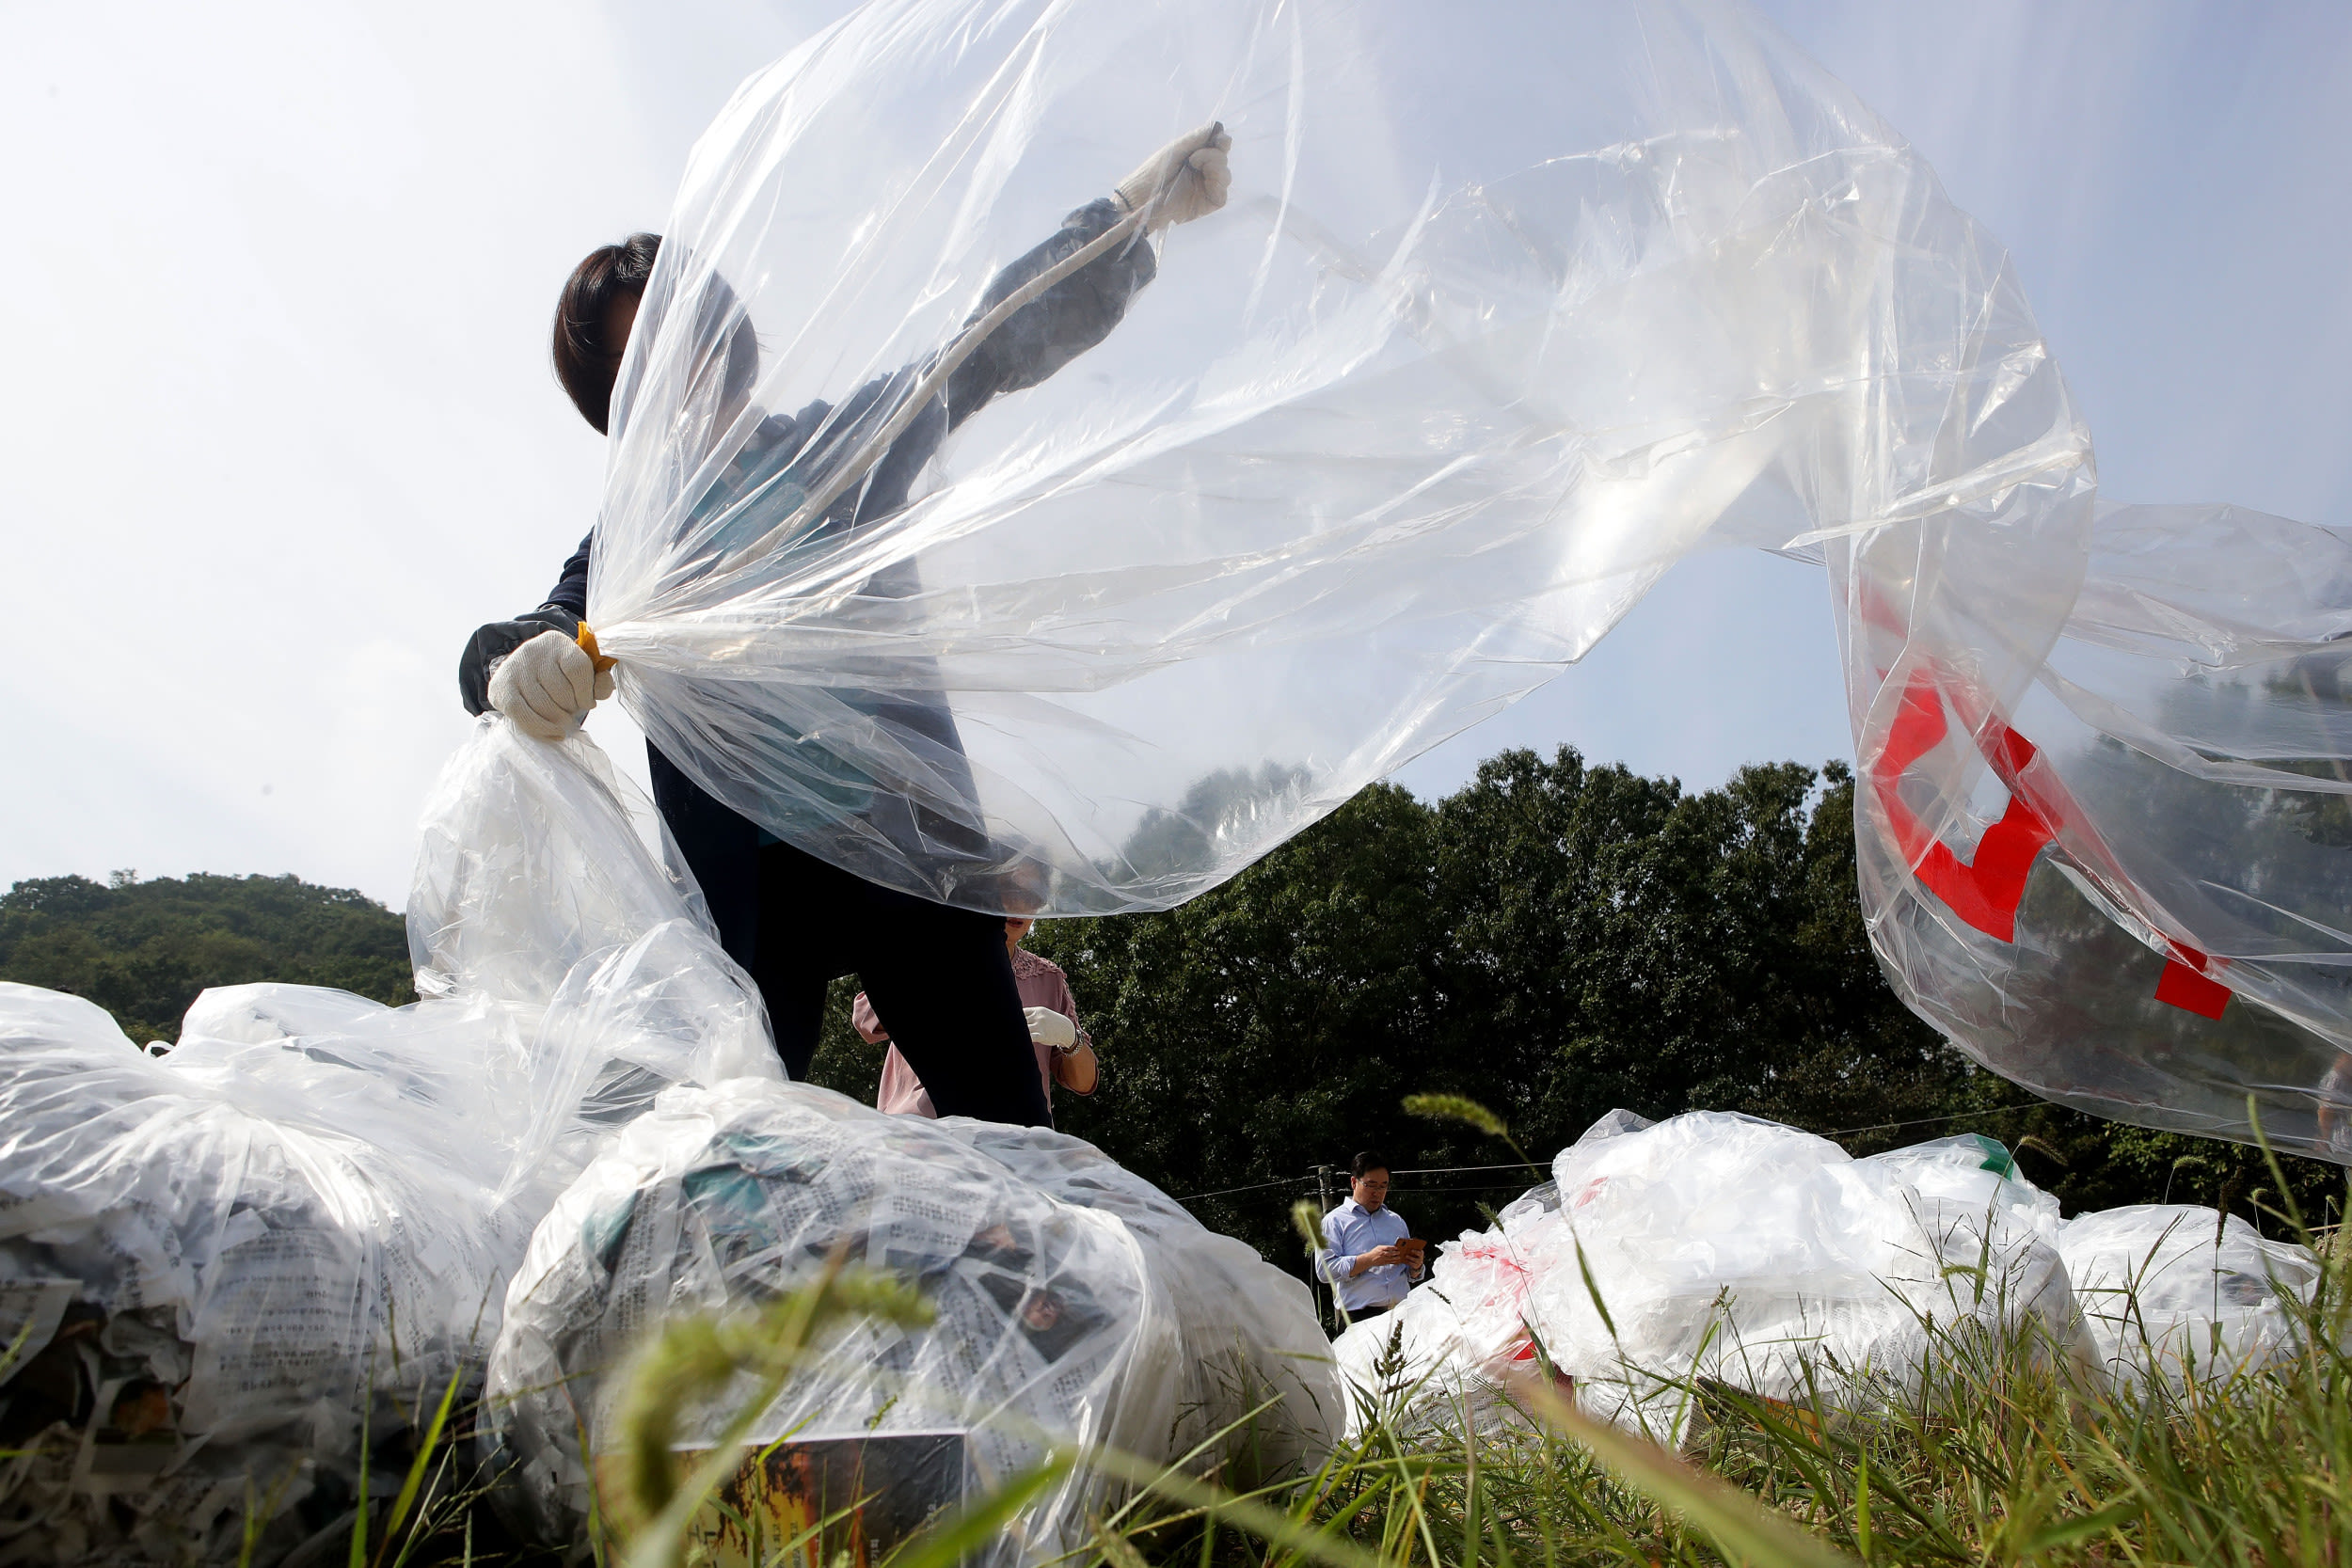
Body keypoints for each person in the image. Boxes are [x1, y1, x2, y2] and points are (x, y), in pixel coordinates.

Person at [454, 126, 1234, 1128]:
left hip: (900, 843)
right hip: (745, 885)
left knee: (1005, 1122)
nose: (675, 370)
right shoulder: (628, 545)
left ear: (725, 335)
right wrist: (514, 665)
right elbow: (530, 631)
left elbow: (979, 347)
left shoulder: (831, 454)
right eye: (637, 356)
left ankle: (1035, 1282)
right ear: (614, 391)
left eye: (685, 333)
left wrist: (1124, 224)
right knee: (728, 1136)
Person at [851, 916, 1097, 1122]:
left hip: (1012, 1139)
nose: (1017, 907)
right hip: (926, 1129)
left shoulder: (1048, 978)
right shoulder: (934, 952)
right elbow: (865, 1019)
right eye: (1006, 891)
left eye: (1030, 898)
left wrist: (1070, 1037)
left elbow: (1084, 1083)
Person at [1315, 1151, 1425, 1321]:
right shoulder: (1335, 1221)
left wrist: (1416, 1267)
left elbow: (1410, 1274)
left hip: (1402, 1314)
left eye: (1383, 1186)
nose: (1377, 1192)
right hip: (1359, 1318)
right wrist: (1369, 1259)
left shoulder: (1396, 1221)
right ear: (1354, 1182)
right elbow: (1324, 1271)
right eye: (1371, 1185)